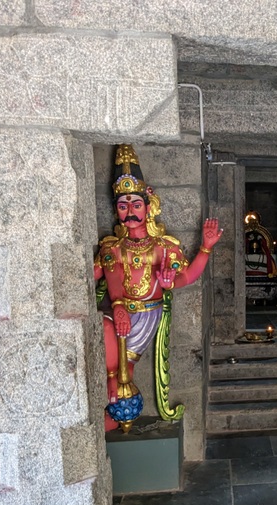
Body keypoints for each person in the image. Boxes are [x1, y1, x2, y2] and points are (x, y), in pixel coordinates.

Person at [94, 144, 222, 431]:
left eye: (136, 205)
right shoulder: (112, 247)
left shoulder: (163, 247)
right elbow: (99, 275)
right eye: (123, 206)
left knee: (123, 369)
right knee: (106, 338)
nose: (130, 212)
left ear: (149, 207)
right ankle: (113, 405)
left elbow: (186, 277)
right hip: (116, 313)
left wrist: (205, 248)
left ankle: (116, 412)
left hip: (144, 316)